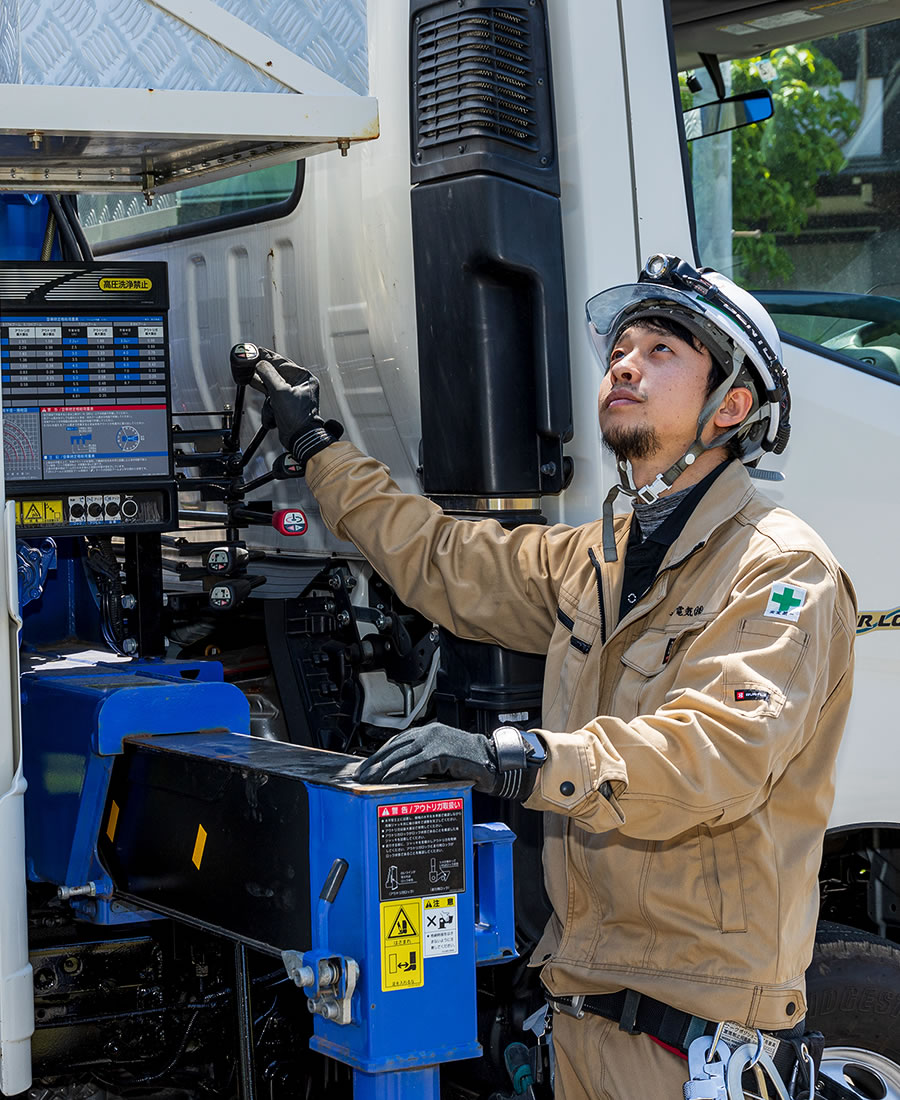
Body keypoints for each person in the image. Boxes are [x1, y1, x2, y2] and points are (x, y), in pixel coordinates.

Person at [249, 254, 856, 1099]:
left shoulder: (781, 569)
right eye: (621, 348)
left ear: (734, 406)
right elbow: (443, 558)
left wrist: (516, 756)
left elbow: (713, 753)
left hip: (692, 1040)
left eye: (662, 351)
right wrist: (318, 447)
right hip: (581, 1018)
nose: (625, 363)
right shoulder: (598, 557)